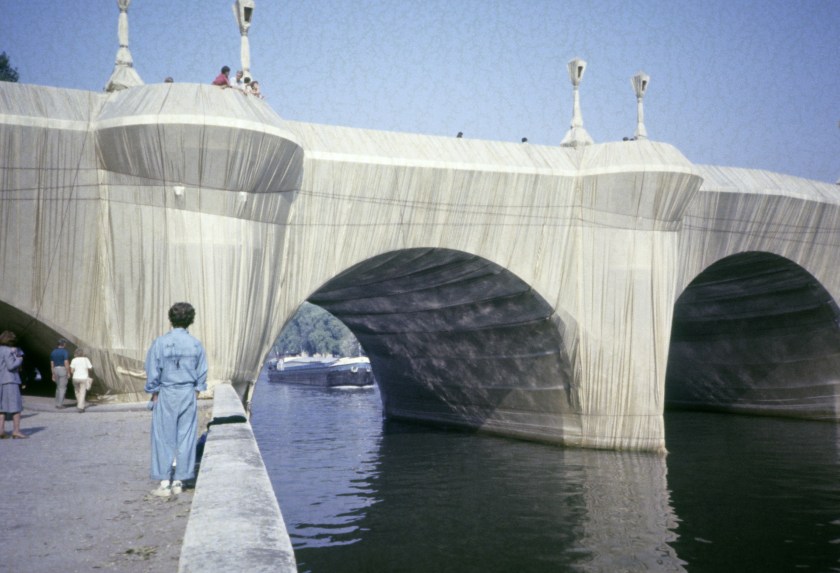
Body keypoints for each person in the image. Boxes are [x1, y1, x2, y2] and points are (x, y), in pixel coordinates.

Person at [145, 302, 208, 496]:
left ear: (170, 319)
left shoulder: (160, 343)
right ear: (191, 320)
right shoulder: (196, 344)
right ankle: (180, 481)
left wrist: (154, 393)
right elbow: (202, 372)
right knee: (186, 436)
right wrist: (195, 392)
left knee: (163, 437)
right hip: (187, 392)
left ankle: (164, 482)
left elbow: (152, 371)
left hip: (166, 391)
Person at [0, 331, 27, 439]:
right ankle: (16, 431)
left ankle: (1, 430)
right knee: (16, 406)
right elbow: (11, 366)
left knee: (1, 407)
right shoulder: (8, 351)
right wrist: (19, 359)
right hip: (10, 380)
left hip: (0, 380)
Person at [69, 348, 93, 413]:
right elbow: (90, 368)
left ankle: (79, 404)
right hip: (84, 378)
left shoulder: (74, 360)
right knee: (82, 392)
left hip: (75, 378)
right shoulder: (86, 359)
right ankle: (80, 407)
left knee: (77, 391)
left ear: (75, 354)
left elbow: (72, 371)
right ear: (82, 353)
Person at [50, 338, 70, 408]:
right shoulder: (65, 352)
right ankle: (60, 405)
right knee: (62, 388)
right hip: (62, 369)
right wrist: (68, 372)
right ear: (63, 344)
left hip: (55, 369)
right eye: (65, 343)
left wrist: (53, 374)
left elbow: (52, 363)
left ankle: (57, 403)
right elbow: (66, 362)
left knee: (58, 387)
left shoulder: (53, 352)